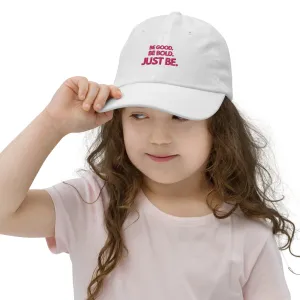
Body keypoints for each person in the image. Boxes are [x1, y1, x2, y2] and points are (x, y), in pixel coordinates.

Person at [0, 11, 296, 300]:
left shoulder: (248, 234)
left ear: (218, 127)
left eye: (180, 116)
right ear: (119, 120)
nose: (158, 138)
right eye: (139, 115)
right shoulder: (90, 202)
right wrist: (52, 123)